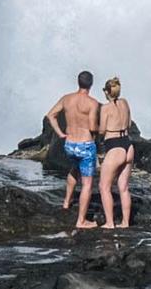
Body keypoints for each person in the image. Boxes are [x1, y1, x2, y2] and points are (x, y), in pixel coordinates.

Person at [44, 70, 102, 229]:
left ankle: (66, 202)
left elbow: (50, 115)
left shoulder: (66, 98)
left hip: (69, 144)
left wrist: (61, 133)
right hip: (85, 145)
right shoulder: (92, 103)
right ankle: (81, 221)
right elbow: (92, 127)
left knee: (74, 169)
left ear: (78, 82)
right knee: (87, 184)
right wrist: (100, 129)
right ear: (91, 84)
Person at [96, 77, 135, 229]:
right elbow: (129, 123)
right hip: (128, 145)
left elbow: (102, 130)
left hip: (114, 146)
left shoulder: (105, 108)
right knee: (123, 187)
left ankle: (110, 223)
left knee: (104, 187)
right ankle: (125, 222)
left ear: (107, 92)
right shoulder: (125, 102)